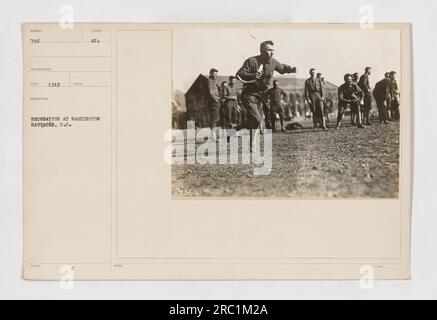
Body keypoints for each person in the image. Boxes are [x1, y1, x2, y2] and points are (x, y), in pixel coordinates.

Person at [234, 40, 297, 150]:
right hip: (249, 94)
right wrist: (253, 75)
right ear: (262, 50)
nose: (272, 53)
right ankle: (251, 144)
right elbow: (239, 74)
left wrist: (291, 69)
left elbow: (282, 68)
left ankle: (238, 133)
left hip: (260, 96)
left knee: (254, 121)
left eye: (273, 50)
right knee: (258, 120)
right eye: (269, 50)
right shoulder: (251, 61)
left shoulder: (273, 62)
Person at [207, 68, 221, 134]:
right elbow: (211, 92)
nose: (216, 75)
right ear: (211, 73)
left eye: (216, 74)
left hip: (216, 102)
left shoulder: (213, 81)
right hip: (214, 103)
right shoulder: (210, 81)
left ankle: (213, 135)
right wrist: (216, 100)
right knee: (214, 119)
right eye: (215, 74)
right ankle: (213, 136)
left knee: (215, 119)